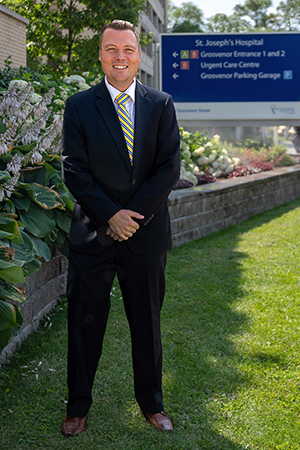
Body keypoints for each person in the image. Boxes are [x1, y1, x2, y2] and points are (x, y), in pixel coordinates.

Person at [60, 19, 180, 437]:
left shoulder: (161, 103)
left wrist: (133, 217)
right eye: (111, 49)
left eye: (127, 49)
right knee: (84, 322)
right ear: (100, 55)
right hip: (94, 232)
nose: (120, 57)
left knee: (146, 324)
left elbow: (168, 168)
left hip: (145, 235)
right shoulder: (78, 106)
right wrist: (110, 214)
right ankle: (77, 406)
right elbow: (74, 170)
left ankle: (152, 403)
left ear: (138, 54)